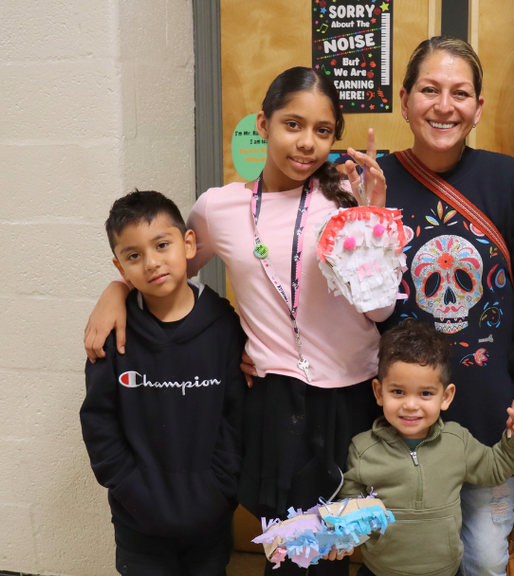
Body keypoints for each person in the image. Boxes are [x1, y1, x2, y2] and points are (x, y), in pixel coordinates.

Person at [83, 67, 390, 576]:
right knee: (291, 556)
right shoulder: (218, 208)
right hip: (276, 401)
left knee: (347, 549)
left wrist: (371, 221)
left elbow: (378, 311)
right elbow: (168, 273)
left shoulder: (349, 196)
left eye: (323, 130)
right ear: (264, 124)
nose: (307, 143)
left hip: (352, 393)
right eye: (293, 124)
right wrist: (115, 289)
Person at [369, 37, 514, 576]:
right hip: (397, 427)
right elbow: (340, 302)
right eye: (429, 89)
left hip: (489, 425)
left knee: (487, 559)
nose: (444, 105)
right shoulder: (370, 181)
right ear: (404, 99)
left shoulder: (510, 181)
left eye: (460, 92)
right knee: (406, 562)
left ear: (478, 107)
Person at [80, 190, 246, 576]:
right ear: (120, 268)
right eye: (134, 256)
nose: (151, 263)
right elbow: (99, 421)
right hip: (139, 525)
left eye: (161, 245)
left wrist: (220, 489)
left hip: (210, 519)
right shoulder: (112, 333)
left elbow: (238, 417)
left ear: (188, 244)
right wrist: (129, 487)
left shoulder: (224, 326)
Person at [339, 320, 514, 576]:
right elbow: (348, 506)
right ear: (379, 392)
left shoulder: (457, 441)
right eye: (398, 391)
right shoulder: (362, 448)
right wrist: (344, 533)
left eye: (425, 394)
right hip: (380, 571)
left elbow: (495, 468)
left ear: (446, 396)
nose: (410, 405)